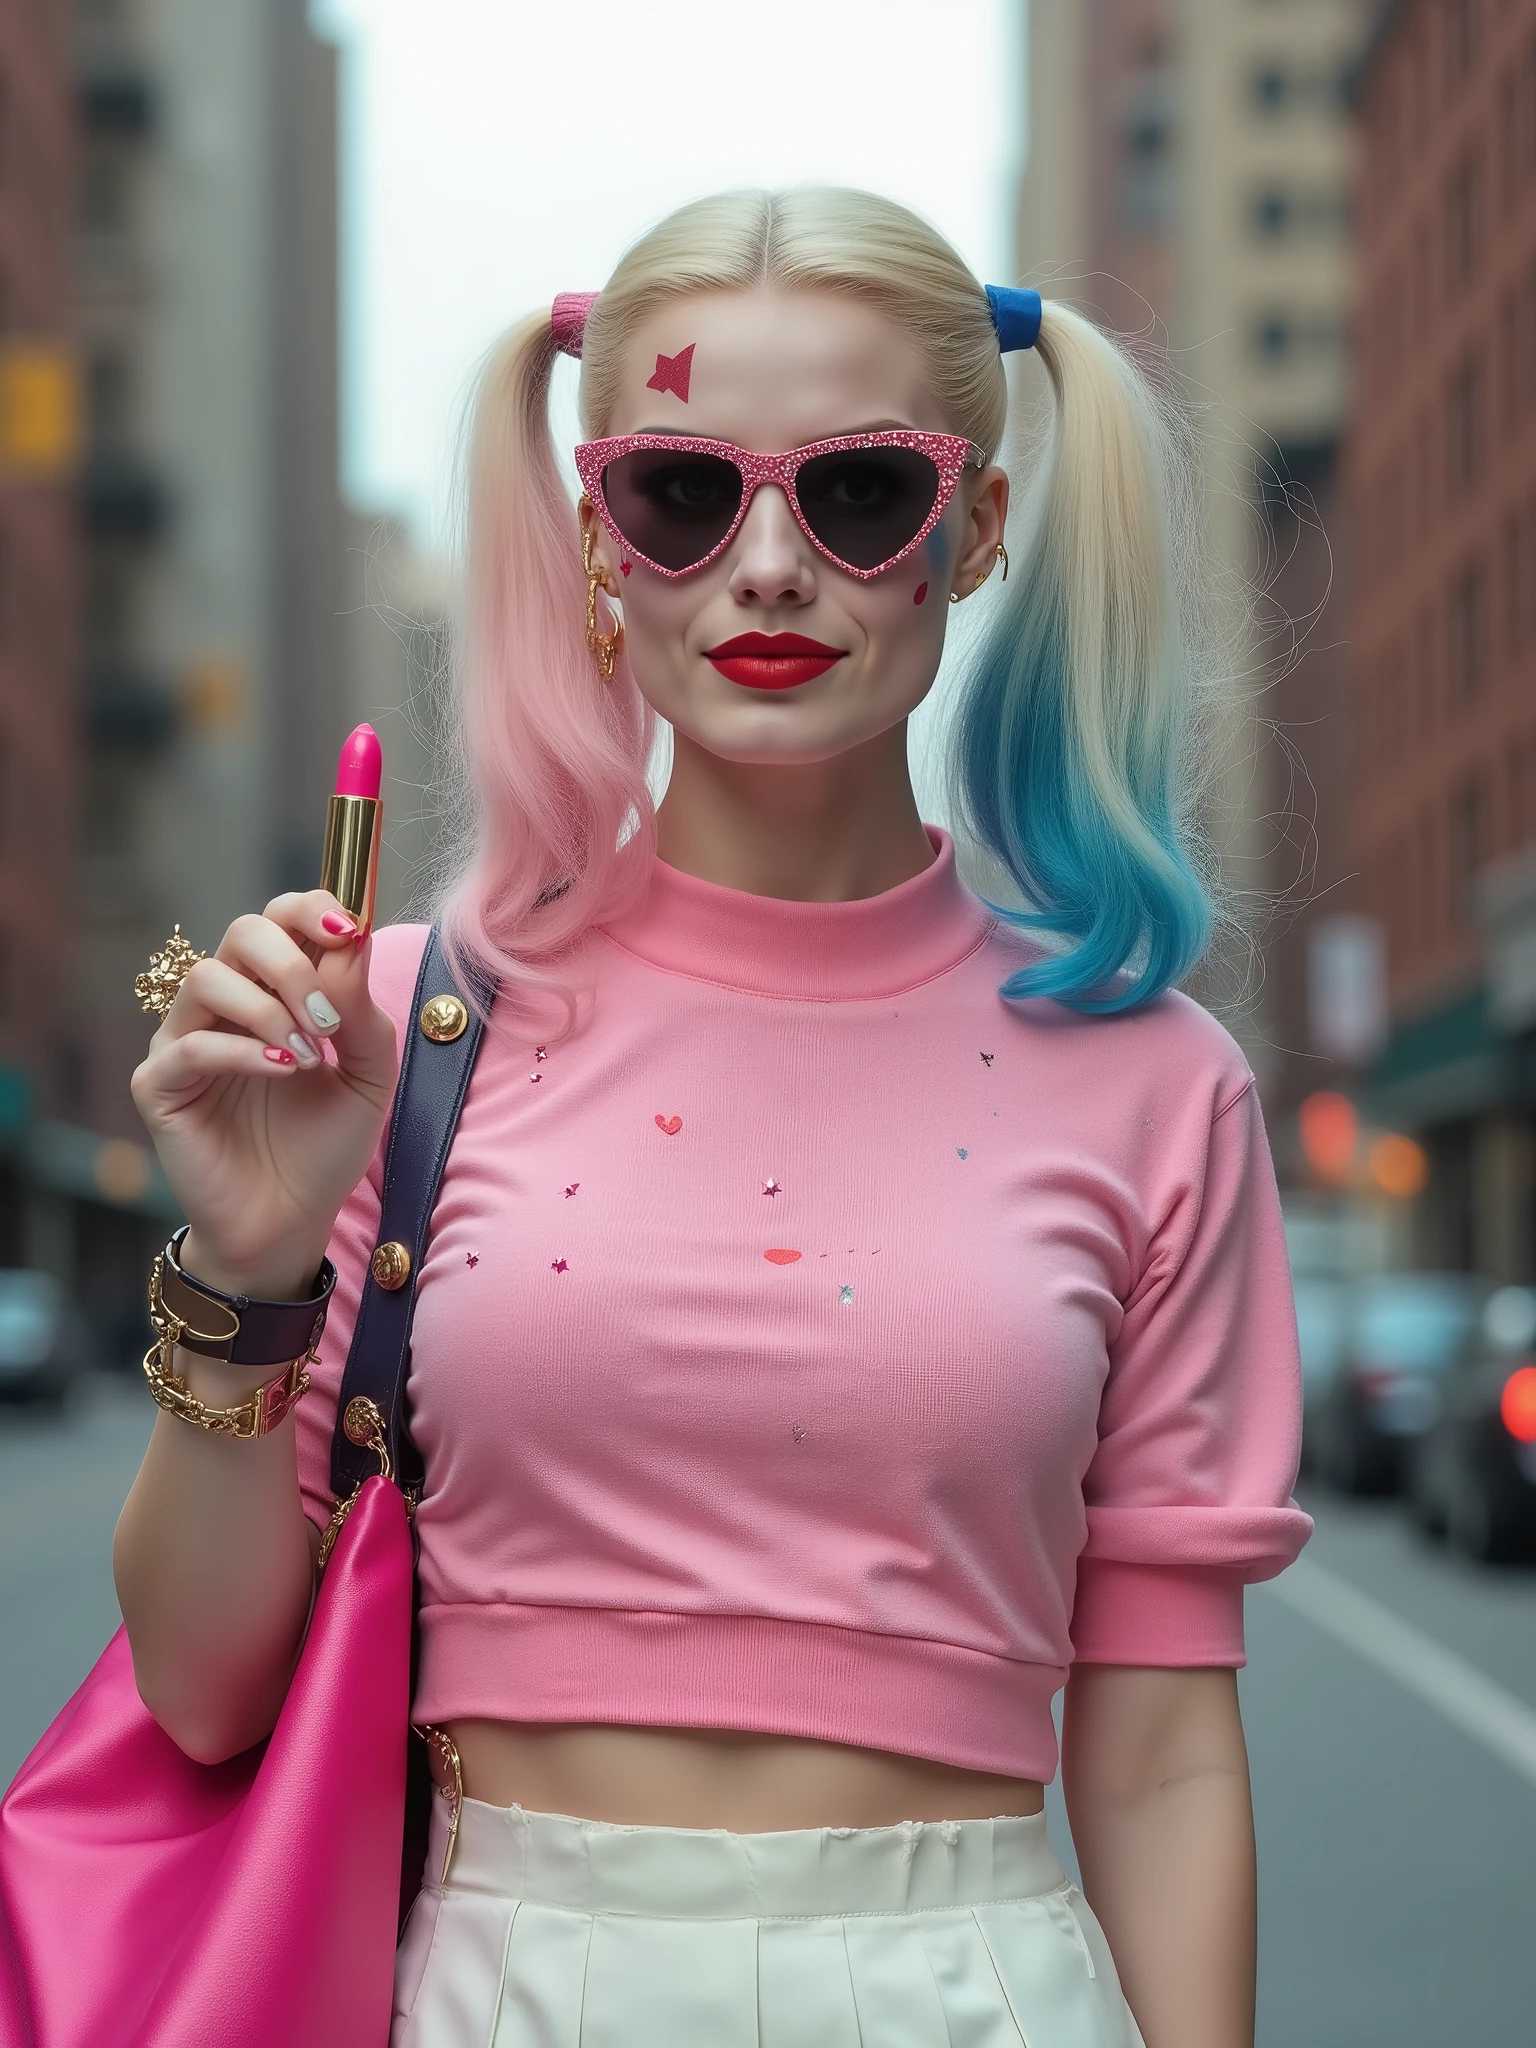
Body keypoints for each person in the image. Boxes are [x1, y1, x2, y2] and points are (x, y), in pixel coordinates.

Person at [116, 187, 1312, 2048]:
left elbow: (1159, 1760)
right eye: (681, 493)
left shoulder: (1156, 1081)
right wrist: (247, 1260)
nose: (768, 566)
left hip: (978, 1986)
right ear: (599, 535)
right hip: (497, 1988)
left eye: (857, 494)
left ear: (974, 532)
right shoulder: (390, 1030)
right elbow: (201, 1694)